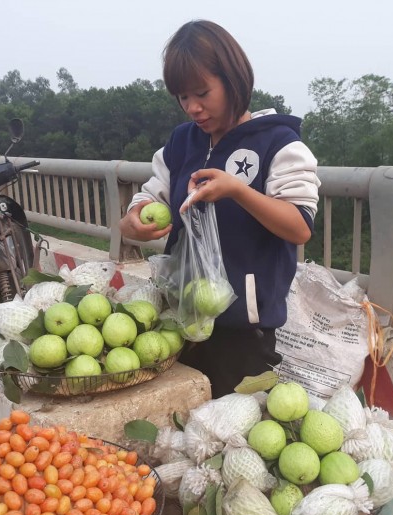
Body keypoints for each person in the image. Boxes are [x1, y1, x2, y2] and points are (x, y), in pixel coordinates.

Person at [119, 19, 320, 398]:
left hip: (244, 334)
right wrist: (135, 221)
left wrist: (239, 192)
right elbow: (144, 203)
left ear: (233, 80)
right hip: (180, 323)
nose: (193, 108)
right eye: (182, 97)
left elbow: (299, 228)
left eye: (202, 93)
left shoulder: (279, 144)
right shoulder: (181, 143)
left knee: (235, 440)